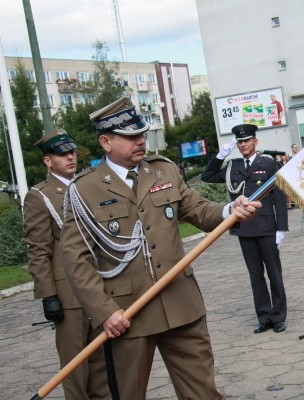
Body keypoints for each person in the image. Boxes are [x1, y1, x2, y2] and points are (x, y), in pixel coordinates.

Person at [61, 97, 260, 400]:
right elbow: (76, 259)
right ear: (105, 141)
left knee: (203, 393)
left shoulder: (162, 170)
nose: (141, 141)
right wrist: (104, 312)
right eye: (131, 137)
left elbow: (199, 210)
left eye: (142, 134)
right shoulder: (84, 189)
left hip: (181, 305)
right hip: (128, 314)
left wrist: (230, 209)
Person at [24, 130, 109, 400]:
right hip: (68, 292)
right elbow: (39, 250)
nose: (70, 157)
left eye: (71, 152)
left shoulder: (87, 183)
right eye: (62, 154)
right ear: (48, 161)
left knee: (103, 360)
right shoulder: (40, 195)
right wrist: (48, 295)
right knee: (75, 363)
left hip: (99, 283)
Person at [201, 124, 289, 334]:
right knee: (255, 276)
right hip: (245, 229)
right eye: (239, 142)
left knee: (274, 274)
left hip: (267, 227)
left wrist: (282, 229)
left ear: (255, 141)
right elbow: (207, 176)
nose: (243, 145)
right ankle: (264, 317)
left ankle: (278, 317)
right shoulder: (232, 166)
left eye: (247, 141)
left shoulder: (267, 164)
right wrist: (220, 156)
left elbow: (278, 196)